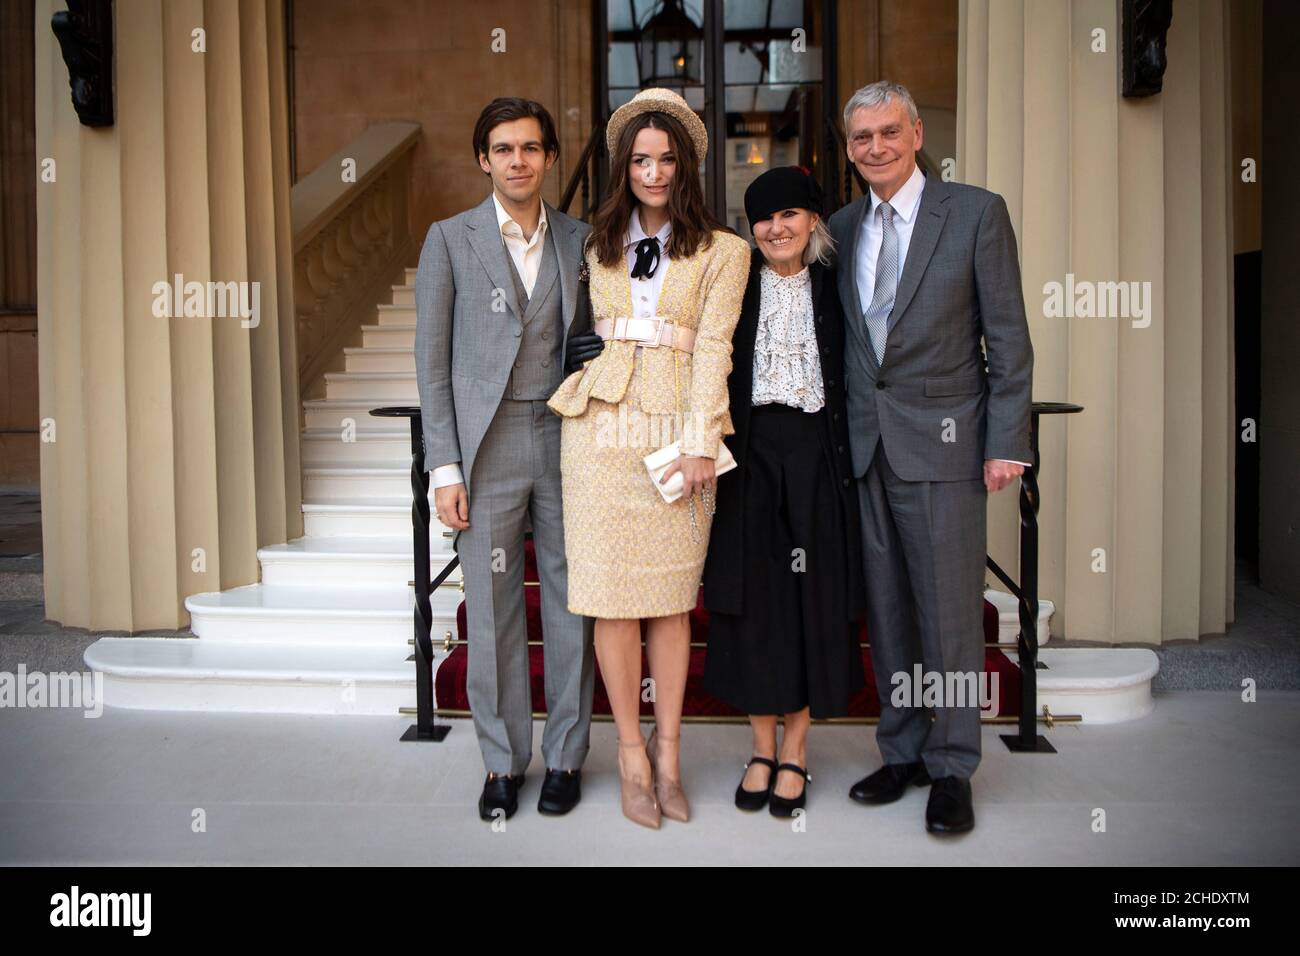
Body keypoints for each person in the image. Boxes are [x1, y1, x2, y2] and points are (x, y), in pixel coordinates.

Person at [828, 81, 1033, 834]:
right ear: (848, 148)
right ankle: (904, 748)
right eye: (861, 138)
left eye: (888, 132)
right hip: (866, 447)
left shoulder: (976, 213)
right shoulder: (843, 224)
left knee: (947, 618)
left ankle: (953, 767)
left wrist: (1008, 442)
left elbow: (1007, 339)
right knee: (885, 613)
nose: (875, 147)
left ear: (916, 134)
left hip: (946, 447)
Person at [548, 88, 750, 829]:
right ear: (623, 165)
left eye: (666, 160)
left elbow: (718, 348)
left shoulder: (726, 252)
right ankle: (629, 755)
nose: (654, 173)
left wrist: (703, 440)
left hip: (676, 433)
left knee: (669, 601)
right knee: (609, 600)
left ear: (687, 165)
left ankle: (669, 757)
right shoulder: (590, 242)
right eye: (641, 160)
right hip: (598, 434)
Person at [414, 97, 596, 822]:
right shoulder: (449, 240)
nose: (518, 160)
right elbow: (431, 366)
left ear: (550, 157)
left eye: (530, 147)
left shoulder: (583, 240)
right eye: (503, 148)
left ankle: (567, 756)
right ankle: (500, 763)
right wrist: (444, 467)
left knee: (571, 603)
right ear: (483, 160)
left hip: (567, 439)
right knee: (490, 611)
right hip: (485, 449)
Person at [699, 165, 867, 818]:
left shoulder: (836, 286)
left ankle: (797, 751)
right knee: (756, 607)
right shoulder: (736, 288)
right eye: (764, 218)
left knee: (811, 604)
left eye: (790, 214)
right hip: (749, 459)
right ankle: (761, 748)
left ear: (813, 221)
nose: (776, 228)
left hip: (819, 461)